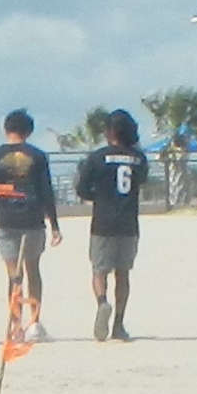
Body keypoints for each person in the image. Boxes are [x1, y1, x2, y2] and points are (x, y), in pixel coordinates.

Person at [0, 109, 60, 341]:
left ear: (6, 129)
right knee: (33, 270)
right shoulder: (38, 156)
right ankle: (34, 321)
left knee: (14, 275)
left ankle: (16, 325)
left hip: (6, 219)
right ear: (29, 131)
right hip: (33, 219)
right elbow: (46, 191)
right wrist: (54, 224)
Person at [75, 108, 149, 340]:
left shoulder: (97, 157)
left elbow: (82, 188)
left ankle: (101, 302)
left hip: (103, 221)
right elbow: (141, 181)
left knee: (99, 270)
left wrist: (97, 196)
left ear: (109, 132)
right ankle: (118, 323)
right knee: (123, 273)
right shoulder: (139, 159)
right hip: (129, 221)